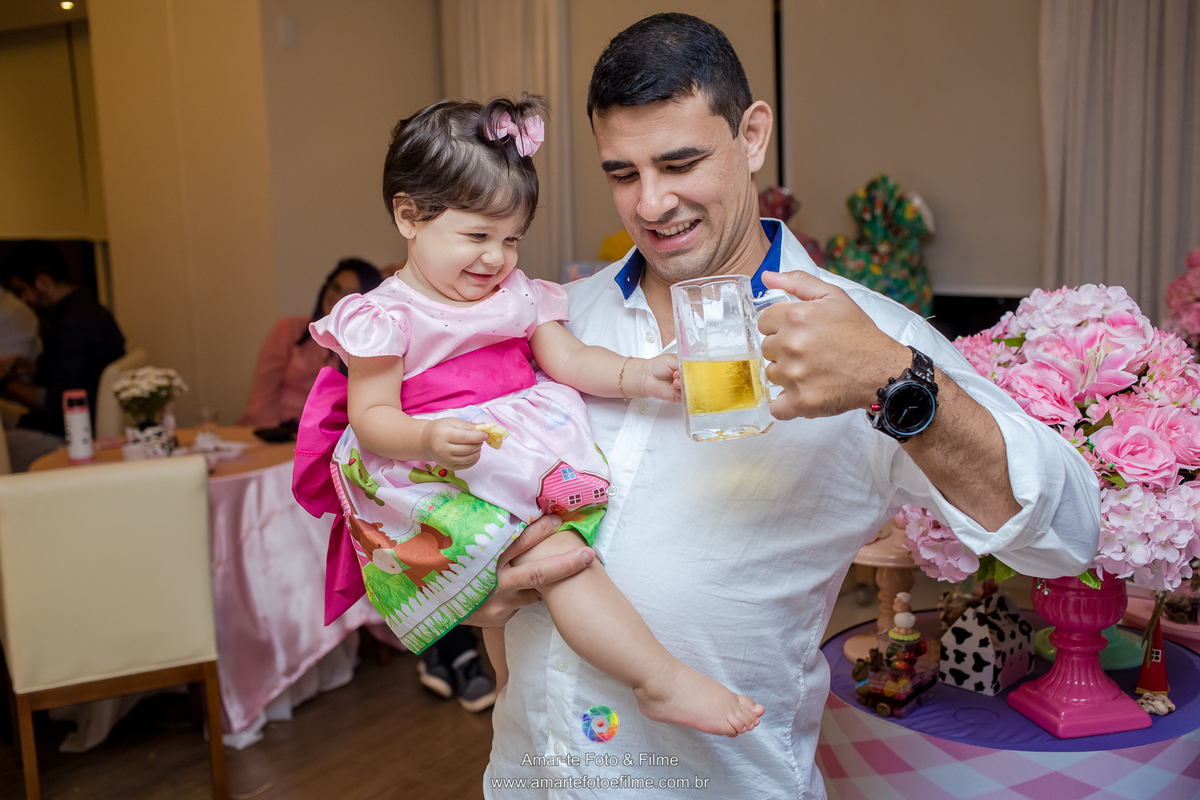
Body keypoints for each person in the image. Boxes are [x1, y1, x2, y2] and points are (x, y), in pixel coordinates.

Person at [474, 14, 1101, 797]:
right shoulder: (555, 317)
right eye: (622, 173)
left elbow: (1069, 537)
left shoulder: (867, 335)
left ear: (753, 136)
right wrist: (480, 594)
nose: (652, 203)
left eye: (680, 161)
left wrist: (897, 383)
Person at [296, 95, 763, 737]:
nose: (497, 258)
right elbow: (372, 417)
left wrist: (638, 376)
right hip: (432, 473)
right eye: (477, 236)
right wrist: (427, 434)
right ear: (409, 216)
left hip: (503, 456)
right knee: (561, 557)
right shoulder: (384, 315)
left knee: (521, 602)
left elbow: (568, 358)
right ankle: (660, 680)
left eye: (511, 238)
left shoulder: (514, 293)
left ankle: (515, 701)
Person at [0, 240, 125, 472]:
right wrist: (34, 369)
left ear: (43, 282)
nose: (24, 301)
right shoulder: (92, 310)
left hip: (67, 436)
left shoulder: (71, 327)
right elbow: (76, 371)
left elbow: (55, 402)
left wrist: (6, 382)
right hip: (81, 423)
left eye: (22, 291)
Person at [239, 258, 382, 429]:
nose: (337, 297)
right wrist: (278, 437)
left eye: (348, 293)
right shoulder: (289, 329)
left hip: (332, 444)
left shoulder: (369, 346)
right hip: (273, 435)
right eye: (335, 287)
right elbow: (261, 400)